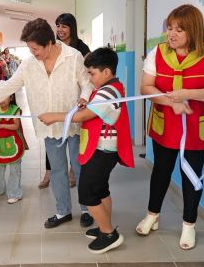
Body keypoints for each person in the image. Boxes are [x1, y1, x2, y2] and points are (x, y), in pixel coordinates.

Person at [0, 18, 94, 229]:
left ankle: (87, 209)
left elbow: (87, 83)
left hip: (74, 122)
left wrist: (84, 97)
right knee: (57, 169)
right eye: (29, 48)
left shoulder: (73, 57)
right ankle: (63, 210)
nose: (32, 52)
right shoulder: (29, 64)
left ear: (49, 43)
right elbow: (10, 85)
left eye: (35, 48)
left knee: (80, 167)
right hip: (49, 126)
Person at [137, 4, 204, 250]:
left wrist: (188, 93)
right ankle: (152, 215)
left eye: (179, 29)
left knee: (192, 176)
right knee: (161, 172)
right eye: (169, 28)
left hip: (198, 128)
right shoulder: (157, 52)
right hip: (166, 125)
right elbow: (146, 87)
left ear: (194, 30)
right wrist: (170, 101)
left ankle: (188, 225)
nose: (172, 34)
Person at [39, 47, 134, 253]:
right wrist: (86, 101)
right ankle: (104, 226)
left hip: (102, 150)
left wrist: (54, 116)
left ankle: (109, 234)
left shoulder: (109, 91)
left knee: (88, 193)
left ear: (106, 72)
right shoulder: (111, 87)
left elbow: (84, 117)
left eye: (92, 73)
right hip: (104, 150)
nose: (89, 78)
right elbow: (94, 109)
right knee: (100, 189)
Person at [38, 13, 91, 190]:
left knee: (75, 145)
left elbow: (88, 75)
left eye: (64, 26)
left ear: (72, 28)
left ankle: (73, 172)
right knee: (52, 138)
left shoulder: (80, 48)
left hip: (74, 104)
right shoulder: (51, 46)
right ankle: (49, 171)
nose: (60, 30)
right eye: (58, 26)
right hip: (54, 104)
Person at [0, 87, 28, 204]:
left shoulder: (15, 110)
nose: (1, 99)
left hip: (14, 143)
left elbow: (15, 126)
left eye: (5, 96)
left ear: (11, 97)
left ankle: (15, 193)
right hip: (0, 143)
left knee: (15, 169)